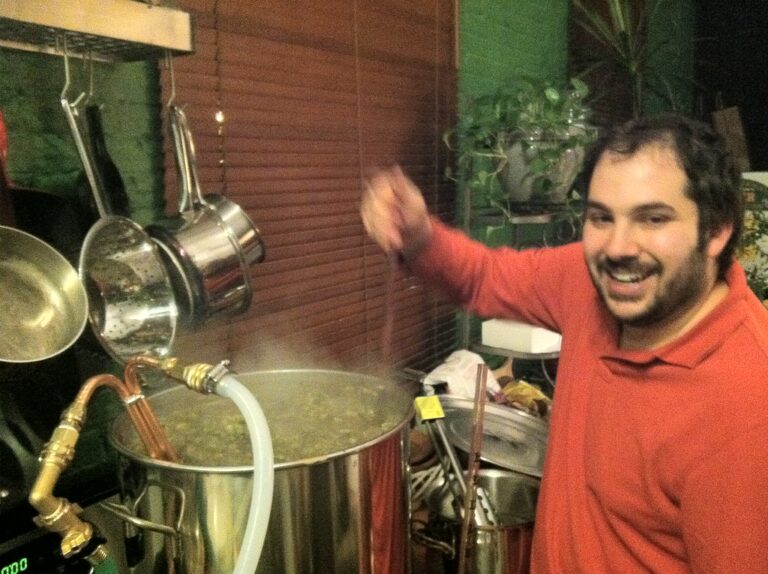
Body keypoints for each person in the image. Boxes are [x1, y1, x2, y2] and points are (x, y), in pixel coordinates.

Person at [361, 113, 768, 573]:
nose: (617, 247)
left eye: (652, 218)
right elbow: (484, 277)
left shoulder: (749, 405)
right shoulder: (587, 282)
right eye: (600, 217)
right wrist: (419, 237)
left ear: (716, 230)